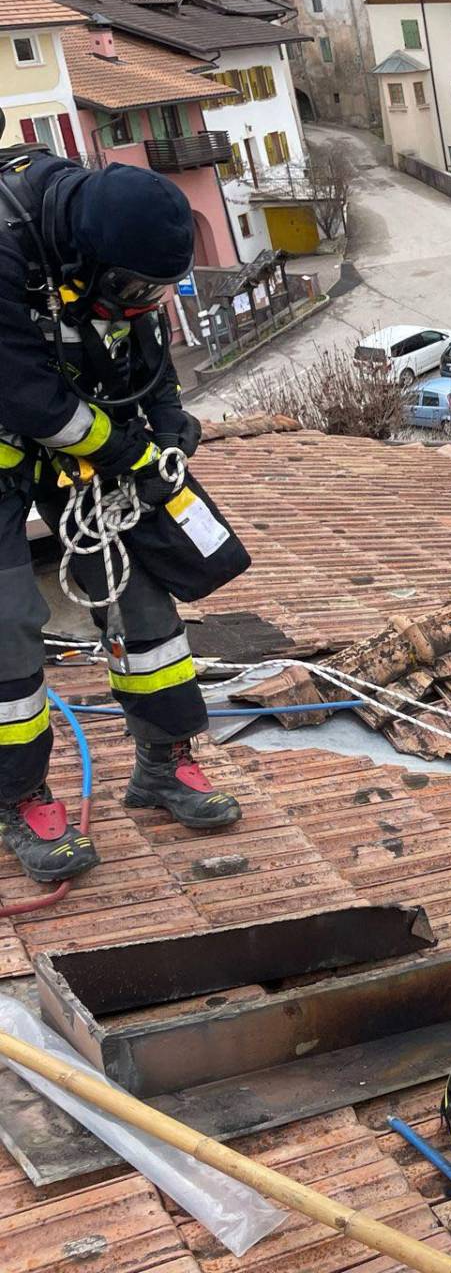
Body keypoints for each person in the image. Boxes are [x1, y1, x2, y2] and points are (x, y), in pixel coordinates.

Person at [0, 147, 239, 884]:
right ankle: (19, 797)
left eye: (152, 290)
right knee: (7, 623)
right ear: (86, 259)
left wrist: (166, 431)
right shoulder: (6, 251)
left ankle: (163, 763)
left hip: (80, 448)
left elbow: (147, 359)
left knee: (139, 590)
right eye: (132, 288)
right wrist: (130, 451)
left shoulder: (114, 246)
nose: (141, 300)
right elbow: (32, 399)